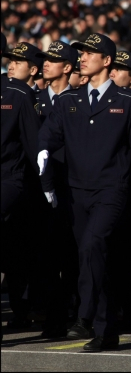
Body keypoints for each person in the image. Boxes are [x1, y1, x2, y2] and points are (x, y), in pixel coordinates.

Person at [37, 33, 131, 352]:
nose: (83, 58)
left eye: (90, 53)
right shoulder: (68, 101)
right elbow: (49, 134)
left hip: (111, 192)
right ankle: (106, 327)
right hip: (77, 193)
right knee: (98, 259)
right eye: (81, 53)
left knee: (92, 245)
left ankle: (88, 314)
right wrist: (44, 151)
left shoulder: (128, 102)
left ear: (107, 60)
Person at [1, 33, 56, 341]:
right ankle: (21, 309)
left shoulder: (24, 95)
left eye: (19, 62)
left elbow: (35, 145)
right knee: (14, 252)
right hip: (17, 183)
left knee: (31, 252)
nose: (12, 66)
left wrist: (45, 185)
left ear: (34, 69)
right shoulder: (10, 90)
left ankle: (38, 308)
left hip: (20, 181)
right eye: (10, 61)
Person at [33, 41, 80, 338]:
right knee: (46, 256)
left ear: (67, 67)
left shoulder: (80, 100)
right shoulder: (33, 99)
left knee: (73, 255)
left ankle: (77, 313)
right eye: (44, 59)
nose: (46, 64)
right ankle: (52, 316)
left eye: (53, 60)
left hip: (74, 187)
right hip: (41, 189)